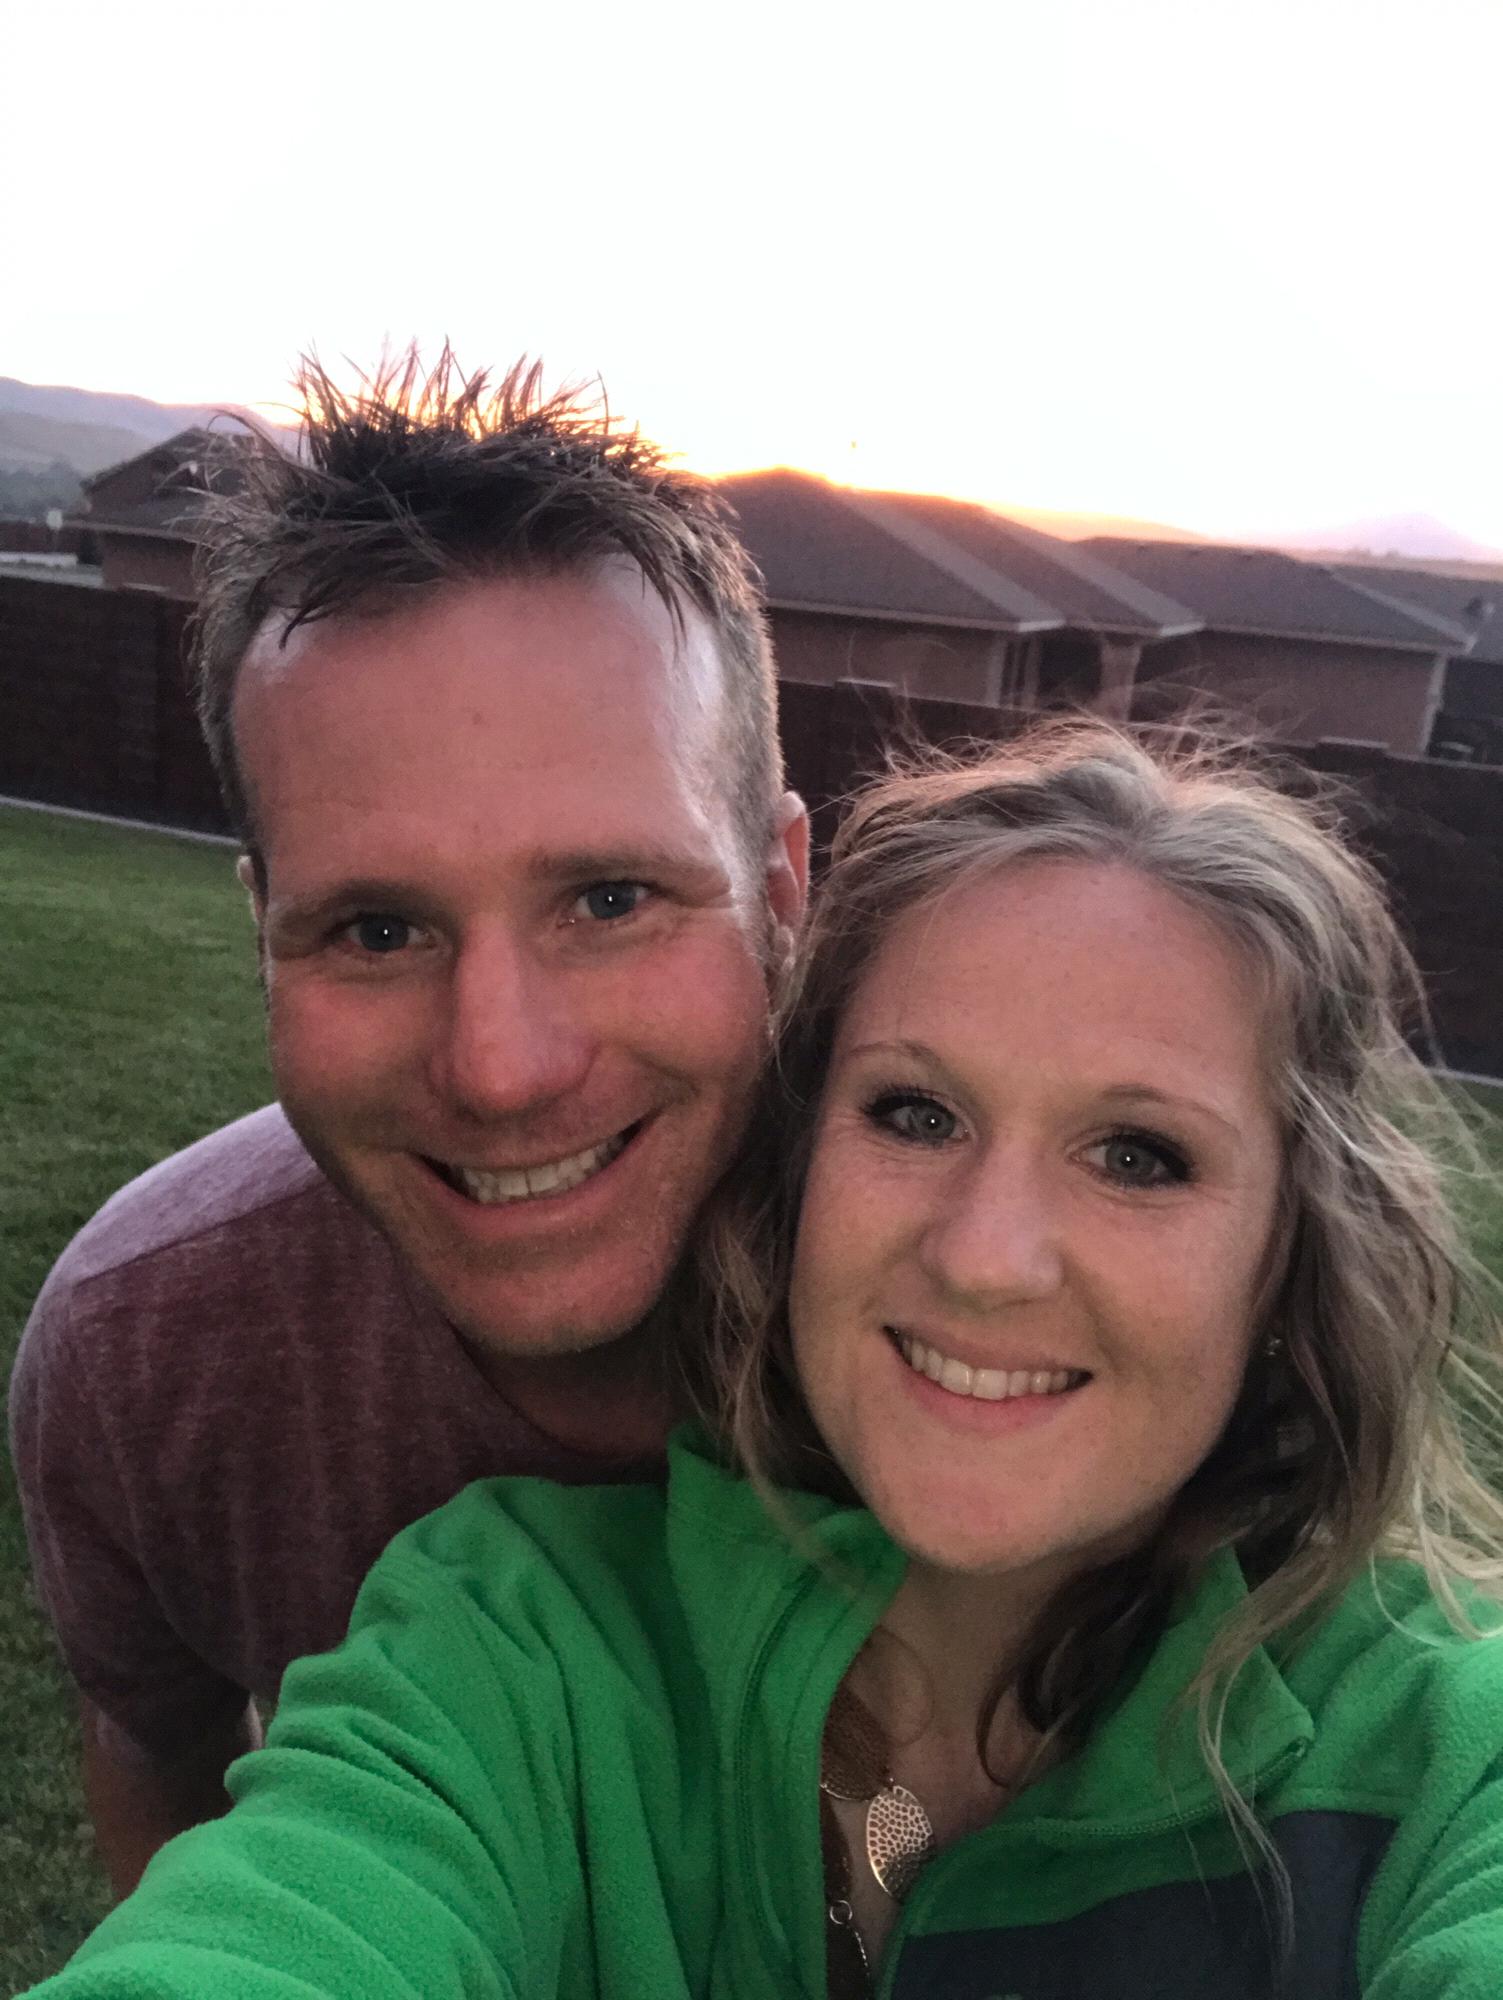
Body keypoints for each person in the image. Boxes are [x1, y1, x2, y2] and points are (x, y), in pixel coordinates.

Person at [22, 720, 1503, 1998]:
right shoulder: (510, 1649)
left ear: (1291, 1258)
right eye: (915, 1115)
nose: (986, 1257)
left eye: (1138, 1155)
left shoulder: (1448, 1752)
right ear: (795, 1176)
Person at [8, 349, 809, 1896]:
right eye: (376, 931)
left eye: (611, 898)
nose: (502, 1070)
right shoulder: (146, 1360)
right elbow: (157, 1758)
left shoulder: (991, 1311)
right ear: (262, 933)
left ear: (782, 892)